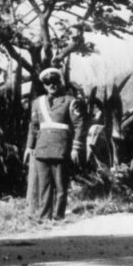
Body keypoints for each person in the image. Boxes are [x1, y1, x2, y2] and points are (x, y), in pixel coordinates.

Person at [25, 67, 87, 221]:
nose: (51, 86)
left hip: (61, 148)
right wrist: (29, 147)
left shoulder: (70, 102)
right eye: (47, 83)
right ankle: (44, 218)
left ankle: (58, 217)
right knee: (44, 186)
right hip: (42, 148)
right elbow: (33, 126)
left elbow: (79, 125)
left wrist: (75, 148)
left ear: (60, 83)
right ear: (44, 85)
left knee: (60, 186)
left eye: (54, 82)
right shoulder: (37, 103)